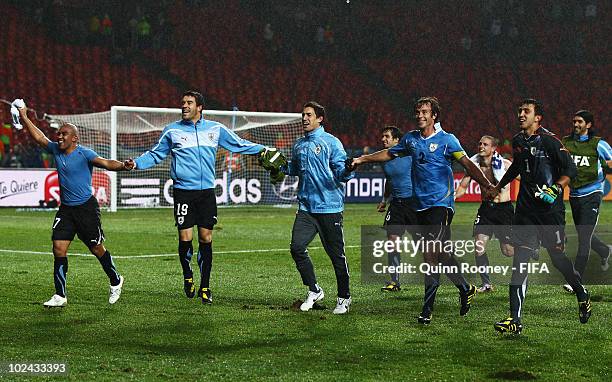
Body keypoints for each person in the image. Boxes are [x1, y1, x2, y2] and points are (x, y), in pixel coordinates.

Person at [352, 96, 494, 324]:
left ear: (434, 115)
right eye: (417, 112)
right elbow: (389, 153)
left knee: (430, 255)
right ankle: (466, 288)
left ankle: (427, 309)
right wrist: (363, 159)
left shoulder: (447, 140)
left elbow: (467, 163)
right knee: (442, 255)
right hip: (418, 206)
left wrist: (487, 185)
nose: (420, 115)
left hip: (441, 205)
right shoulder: (410, 139)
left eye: (424, 112)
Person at [125, 90, 271, 305]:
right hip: (183, 192)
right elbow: (155, 153)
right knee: (185, 238)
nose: (184, 106)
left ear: (199, 107)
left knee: (206, 238)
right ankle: (187, 276)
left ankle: (205, 286)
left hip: (206, 193)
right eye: (183, 102)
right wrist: (136, 163)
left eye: (189, 103)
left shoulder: (215, 129)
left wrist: (263, 149)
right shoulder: (172, 131)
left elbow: (239, 144)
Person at [488, 98, 591, 335]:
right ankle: (515, 319)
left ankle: (581, 293)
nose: (521, 114)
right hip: (525, 213)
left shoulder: (551, 141)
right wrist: (499, 185)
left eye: (526, 111)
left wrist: (556, 189)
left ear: (538, 117)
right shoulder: (517, 141)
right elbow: (516, 167)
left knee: (557, 258)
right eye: (519, 111)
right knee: (519, 265)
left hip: (550, 213)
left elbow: (570, 170)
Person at [17, 101, 128, 307]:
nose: (59, 136)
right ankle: (60, 295)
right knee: (58, 248)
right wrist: (24, 117)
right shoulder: (56, 150)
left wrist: (124, 165)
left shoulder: (84, 153)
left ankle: (115, 280)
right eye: (59, 134)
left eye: (64, 134)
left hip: (86, 208)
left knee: (96, 248)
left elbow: (106, 163)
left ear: (74, 138)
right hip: (66, 209)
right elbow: (40, 137)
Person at [281, 101, 354, 314]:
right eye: (303, 115)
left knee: (336, 256)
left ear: (320, 118)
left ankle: (344, 297)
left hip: (329, 207)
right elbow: (293, 169)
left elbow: (342, 172)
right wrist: (277, 166)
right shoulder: (299, 144)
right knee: (296, 247)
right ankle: (314, 290)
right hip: (306, 208)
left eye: (309, 115)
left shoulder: (331, 142)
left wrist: (348, 170)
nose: (304, 118)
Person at [561, 110, 612, 293]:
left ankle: (576, 280)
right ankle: (605, 251)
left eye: (580, 121)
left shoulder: (598, 144)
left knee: (583, 238)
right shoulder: (566, 142)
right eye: (574, 121)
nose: (575, 124)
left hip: (593, 194)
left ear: (588, 125)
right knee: (584, 235)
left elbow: (610, 160)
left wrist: (605, 170)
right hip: (574, 194)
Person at [455, 135, 514, 293]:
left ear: (494, 148)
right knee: (478, 247)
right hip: (486, 210)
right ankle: (487, 284)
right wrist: (452, 197)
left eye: (485, 144)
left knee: (508, 251)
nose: (481, 146)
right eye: (479, 143)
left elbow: (525, 178)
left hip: (504, 210)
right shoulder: (474, 167)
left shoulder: (506, 165)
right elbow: (462, 187)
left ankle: (529, 245)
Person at [376, 126, 418, 292]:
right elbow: (389, 180)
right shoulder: (384, 158)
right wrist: (385, 200)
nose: (383, 139)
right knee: (392, 242)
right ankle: (394, 282)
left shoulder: (409, 155)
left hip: (413, 204)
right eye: (382, 136)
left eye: (386, 136)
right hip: (396, 205)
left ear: (396, 140)